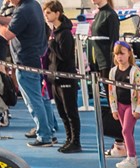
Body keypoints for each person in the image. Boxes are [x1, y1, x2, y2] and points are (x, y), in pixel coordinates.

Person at [0, 0, 54, 144]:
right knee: (41, 97)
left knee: (33, 100)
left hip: (25, 61)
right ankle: (48, 129)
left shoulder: (23, 10)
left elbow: (7, 34)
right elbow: (18, 22)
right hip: (36, 57)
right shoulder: (33, 5)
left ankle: (44, 135)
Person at [43, 0, 83, 151]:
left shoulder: (65, 34)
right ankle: (68, 138)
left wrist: (52, 45)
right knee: (61, 112)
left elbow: (65, 56)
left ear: (57, 13)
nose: (46, 16)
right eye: (45, 13)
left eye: (48, 13)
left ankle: (76, 141)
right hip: (55, 79)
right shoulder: (53, 32)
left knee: (70, 111)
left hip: (66, 78)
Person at [88, 0, 120, 150]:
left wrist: (114, 68)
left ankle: (121, 142)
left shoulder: (111, 15)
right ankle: (119, 142)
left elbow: (115, 42)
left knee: (115, 104)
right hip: (99, 65)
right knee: (110, 102)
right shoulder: (98, 14)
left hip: (108, 66)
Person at [111, 41, 140, 168]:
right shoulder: (113, 71)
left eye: (122, 54)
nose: (120, 57)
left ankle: (132, 157)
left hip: (131, 105)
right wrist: (114, 108)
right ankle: (131, 154)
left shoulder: (135, 71)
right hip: (120, 105)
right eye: (117, 54)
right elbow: (111, 91)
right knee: (127, 132)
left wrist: (138, 109)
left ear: (129, 54)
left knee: (125, 131)